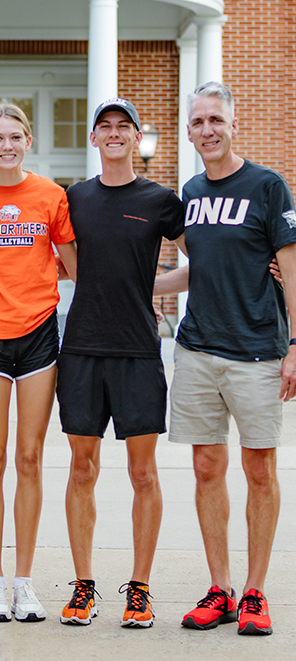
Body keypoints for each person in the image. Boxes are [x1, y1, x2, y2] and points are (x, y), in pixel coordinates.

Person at [166, 81, 296, 636]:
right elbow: (202, 269)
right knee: (205, 467)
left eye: (215, 120)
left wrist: (295, 346)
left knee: (259, 470)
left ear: (232, 124)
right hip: (197, 348)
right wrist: (134, 285)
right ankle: (219, 588)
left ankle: (255, 592)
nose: (207, 130)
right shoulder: (191, 192)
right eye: (198, 122)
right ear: (189, 130)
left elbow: (289, 268)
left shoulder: (268, 186)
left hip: (258, 351)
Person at [56, 98, 186, 628]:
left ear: (136, 139)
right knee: (82, 469)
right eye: (104, 127)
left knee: (142, 473)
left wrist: (152, 285)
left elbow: (204, 256)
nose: (114, 134)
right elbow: (62, 264)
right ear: (94, 139)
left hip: (137, 351)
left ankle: (140, 588)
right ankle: (84, 586)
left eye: (123, 127)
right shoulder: (74, 198)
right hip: (83, 348)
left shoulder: (160, 200)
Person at [0, 104, 77, 622]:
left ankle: (24, 583)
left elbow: (75, 267)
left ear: (28, 141)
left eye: (15, 137)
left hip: (39, 340)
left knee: (29, 459)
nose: (7, 145)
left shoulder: (51, 196)